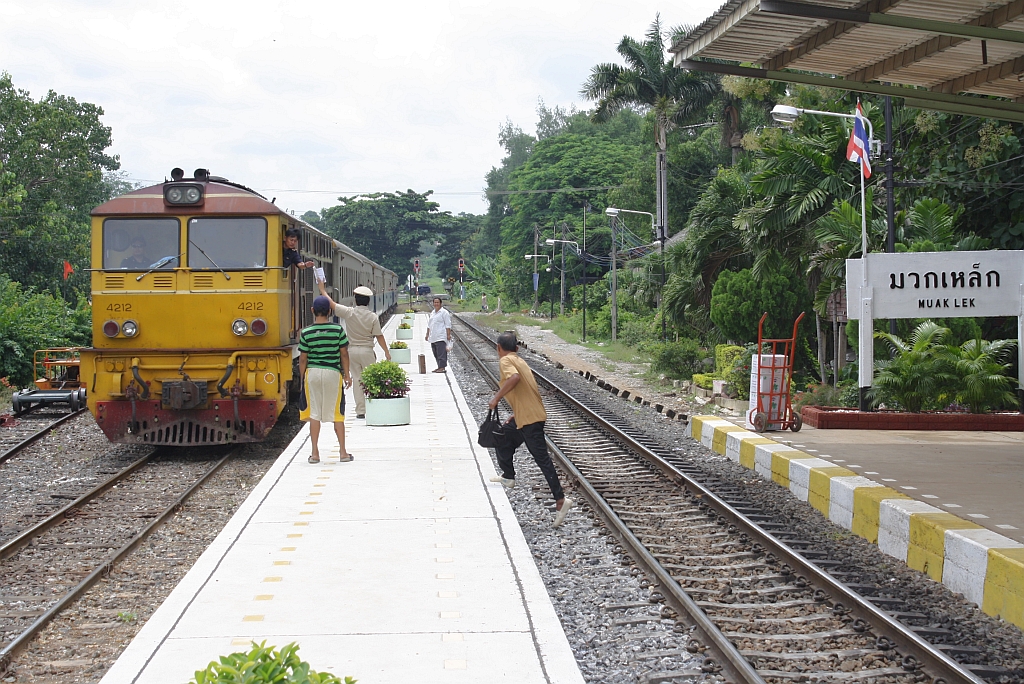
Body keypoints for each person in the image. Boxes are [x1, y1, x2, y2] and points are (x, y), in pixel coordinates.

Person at [487, 330, 574, 527]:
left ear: (498, 348)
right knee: (502, 437)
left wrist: (496, 398)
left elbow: (514, 379)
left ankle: (561, 501)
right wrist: (516, 413)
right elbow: (526, 390)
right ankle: (508, 476)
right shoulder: (519, 359)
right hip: (525, 416)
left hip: (530, 420)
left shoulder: (506, 361)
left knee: (542, 460)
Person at [316, 282, 391, 419]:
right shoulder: (373, 316)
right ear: (368, 301)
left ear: (355, 300)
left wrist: (322, 290)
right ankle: (372, 406)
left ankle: (360, 411)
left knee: (357, 380)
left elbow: (331, 304)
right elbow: (379, 336)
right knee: (371, 379)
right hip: (367, 351)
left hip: (352, 351)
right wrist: (386, 352)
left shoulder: (349, 313)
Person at [298, 296, 353, 464]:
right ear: (330, 312)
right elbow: (344, 353)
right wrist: (347, 374)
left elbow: (302, 358)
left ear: (312, 311)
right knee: (337, 412)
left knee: (314, 413)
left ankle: (315, 454)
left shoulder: (306, 332)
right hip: (332, 373)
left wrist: (303, 379)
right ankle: (343, 453)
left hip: (312, 373)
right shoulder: (337, 330)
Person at [425, 296, 452, 373]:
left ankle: (442, 367)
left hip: (441, 335)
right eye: (435, 302)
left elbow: (448, 324)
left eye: (437, 302)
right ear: (433, 303)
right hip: (433, 336)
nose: (436, 304)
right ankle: (439, 366)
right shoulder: (433, 312)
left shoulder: (444, 313)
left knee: (441, 353)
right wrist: (427, 334)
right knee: (435, 352)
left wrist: (448, 335)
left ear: (440, 303)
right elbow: (429, 325)